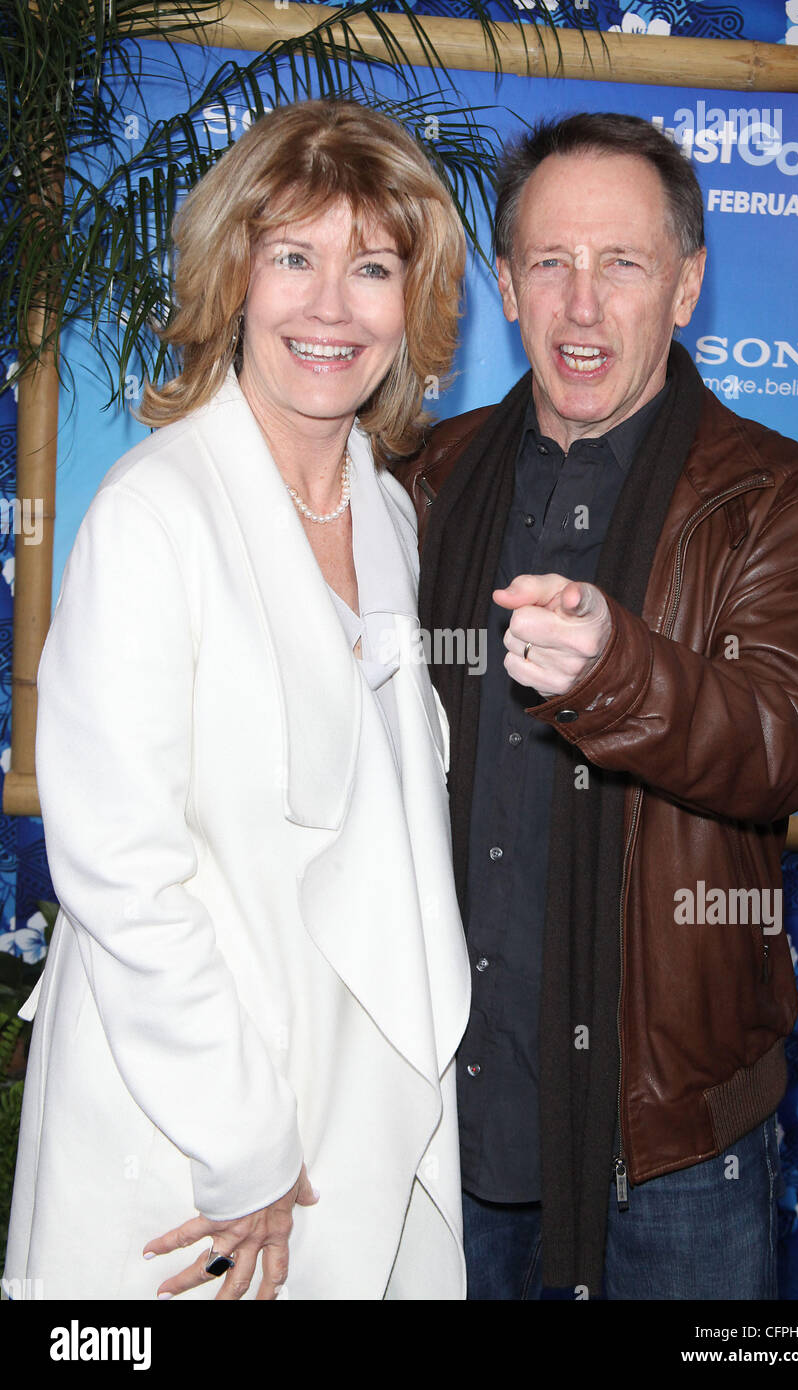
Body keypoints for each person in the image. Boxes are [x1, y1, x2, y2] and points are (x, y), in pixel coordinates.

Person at [5, 99, 470, 1301]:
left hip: (359, 1100)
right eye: (292, 258)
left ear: (411, 308)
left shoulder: (386, 507)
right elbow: (119, 864)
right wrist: (244, 1136)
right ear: (232, 277)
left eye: (370, 268)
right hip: (198, 1130)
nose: (329, 307)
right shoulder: (155, 511)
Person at [398, 112, 798, 1300]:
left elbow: (785, 739)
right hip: (441, 1106)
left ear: (688, 283)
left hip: (667, 1139)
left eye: (622, 264)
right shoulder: (420, 481)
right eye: (549, 263)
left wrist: (616, 672)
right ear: (503, 284)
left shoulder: (772, 492)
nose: (581, 305)